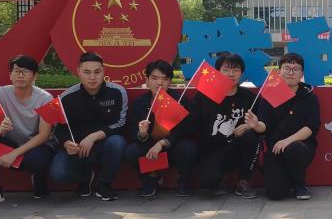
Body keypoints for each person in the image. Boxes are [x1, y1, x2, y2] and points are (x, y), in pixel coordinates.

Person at [0, 55, 56, 206]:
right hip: (11, 143)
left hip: (36, 145)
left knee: (38, 160)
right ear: (10, 75)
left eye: (25, 71)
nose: (20, 75)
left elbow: (44, 135)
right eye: (16, 71)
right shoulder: (0, 94)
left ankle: (39, 178)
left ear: (35, 76)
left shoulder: (45, 98)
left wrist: (14, 154)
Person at [50, 51, 129, 201]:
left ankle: (103, 185)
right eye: (87, 72)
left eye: (97, 72)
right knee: (58, 174)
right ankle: (85, 177)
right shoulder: (67, 97)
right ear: (78, 72)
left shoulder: (117, 92)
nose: (92, 77)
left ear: (104, 71)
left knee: (117, 142)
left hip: (104, 144)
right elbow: (58, 128)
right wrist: (66, 143)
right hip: (77, 148)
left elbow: (121, 123)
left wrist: (93, 137)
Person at [181, 53, 261, 198]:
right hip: (212, 149)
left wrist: (250, 126)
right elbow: (191, 124)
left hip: (238, 148)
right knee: (208, 183)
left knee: (252, 135)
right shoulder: (205, 96)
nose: (231, 74)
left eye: (236, 70)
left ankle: (244, 180)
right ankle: (219, 177)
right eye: (226, 70)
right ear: (217, 72)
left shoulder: (250, 98)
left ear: (242, 73)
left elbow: (262, 123)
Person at [244, 52, 320, 200]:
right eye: (287, 68)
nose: (291, 72)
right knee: (276, 194)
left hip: (301, 148)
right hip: (275, 149)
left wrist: (288, 141)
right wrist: (256, 125)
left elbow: (311, 127)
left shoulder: (309, 96)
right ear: (279, 71)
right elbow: (264, 125)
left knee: (294, 148)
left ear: (301, 74)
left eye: (296, 69)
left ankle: (299, 184)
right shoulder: (270, 94)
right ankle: (284, 178)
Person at [124, 60, 197, 198]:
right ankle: (151, 178)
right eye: (154, 78)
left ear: (170, 82)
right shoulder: (140, 103)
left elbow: (186, 130)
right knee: (131, 151)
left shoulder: (180, 100)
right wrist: (142, 134)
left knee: (188, 147)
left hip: (173, 148)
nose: (159, 83)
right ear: (147, 80)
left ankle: (182, 179)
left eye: (165, 79)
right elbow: (133, 132)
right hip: (150, 151)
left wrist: (163, 143)